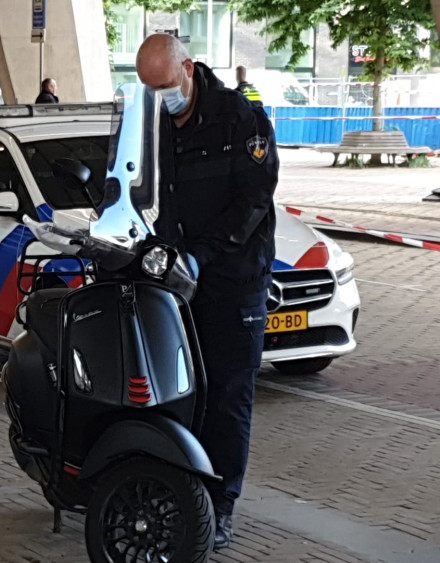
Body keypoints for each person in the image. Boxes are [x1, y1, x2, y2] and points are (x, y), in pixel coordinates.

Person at [135, 33, 278, 550]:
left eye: (167, 85)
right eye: (150, 88)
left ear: (189, 70)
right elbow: (144, 191)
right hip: (178, 282)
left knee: (227, 399)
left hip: (233, 280)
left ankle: (220, 508)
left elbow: (254, 200)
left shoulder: (240, 118)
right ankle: (184, 493)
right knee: (179, 394)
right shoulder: (153, 123)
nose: (161, 96)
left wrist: (202, 253)